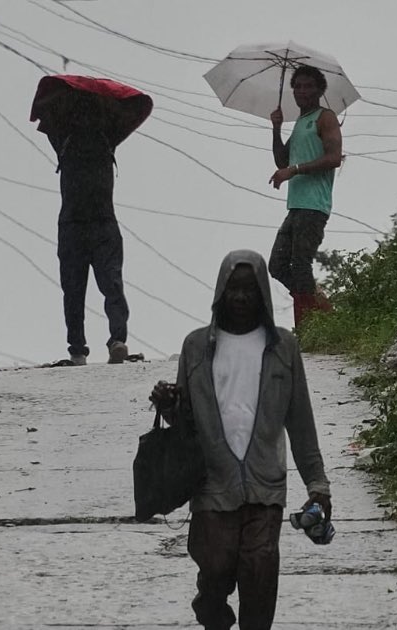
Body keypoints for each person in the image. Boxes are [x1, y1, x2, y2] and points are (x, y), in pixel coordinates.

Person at [149, 249, 332, 630]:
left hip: (265, 485)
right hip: (212, 484)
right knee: (215, 567)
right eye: (234, 289)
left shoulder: (284, 348)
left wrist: (317, 483)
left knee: (260, 572)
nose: (242, 297)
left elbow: (300, 421)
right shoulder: (196, 347)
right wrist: (168, 404)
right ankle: (210, 606)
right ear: (221, 292)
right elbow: (184, 424)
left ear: (263, 293)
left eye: (250, 289)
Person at [49, 92, 130, 365]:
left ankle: (111, 341)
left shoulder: (106, 136)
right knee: (79, 288)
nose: (85, 117)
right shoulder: (64, 137)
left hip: (97, 224)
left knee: (109, 285)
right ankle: (80, 347)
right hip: (79, 225)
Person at [267, 65, 343, 330]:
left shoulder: (326, 117)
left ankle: (309, 328)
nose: (303, 91)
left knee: (300, 265)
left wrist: (295, 170)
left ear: (320, 89)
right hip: (296, 205)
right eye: (298, 86)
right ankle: (320, 308)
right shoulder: (300, 122)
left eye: (309, 85)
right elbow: (282, 160)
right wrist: (276, 128)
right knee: (277, 265)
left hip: (314, 205)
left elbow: (334, 158)